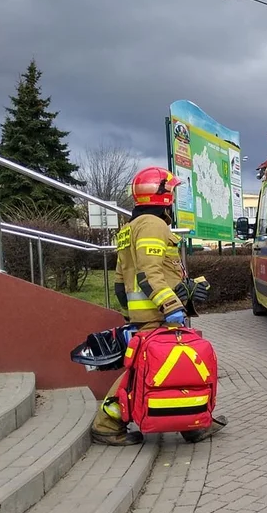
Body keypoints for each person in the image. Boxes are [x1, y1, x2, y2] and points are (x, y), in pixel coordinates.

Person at [90, 166, 226, 446]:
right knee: (159, 368)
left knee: (150, 367)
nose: (174, 198)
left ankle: (194, 421)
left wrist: (136, 310)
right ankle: (107, 423)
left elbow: (120, 281)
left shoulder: (129, 229)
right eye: (172, 192)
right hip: (160, 314)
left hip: (148, 312)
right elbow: (148, 274)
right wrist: (171, 308)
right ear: (162, 196)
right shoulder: (154, 225)